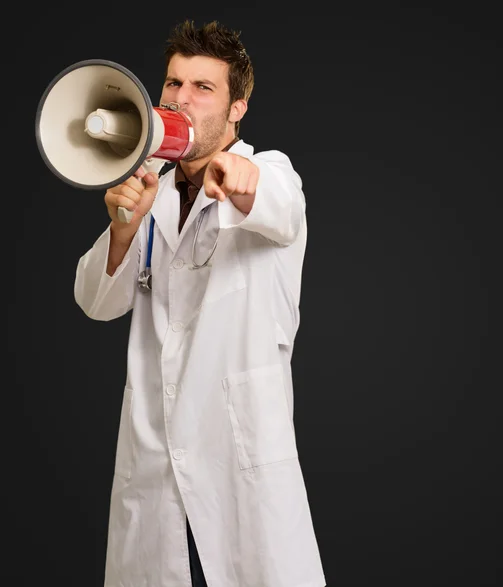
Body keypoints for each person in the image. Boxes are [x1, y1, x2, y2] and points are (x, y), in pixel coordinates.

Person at [74, 19, 326, 587]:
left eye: (202, 88)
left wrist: (240, 176)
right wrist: (122, 226)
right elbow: (94, 301)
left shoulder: (272, 174)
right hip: (155, 475)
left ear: (238, 106)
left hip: (237, 468)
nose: (180, 100)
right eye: (172, 84)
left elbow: (280, 205)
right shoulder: (147, 190)